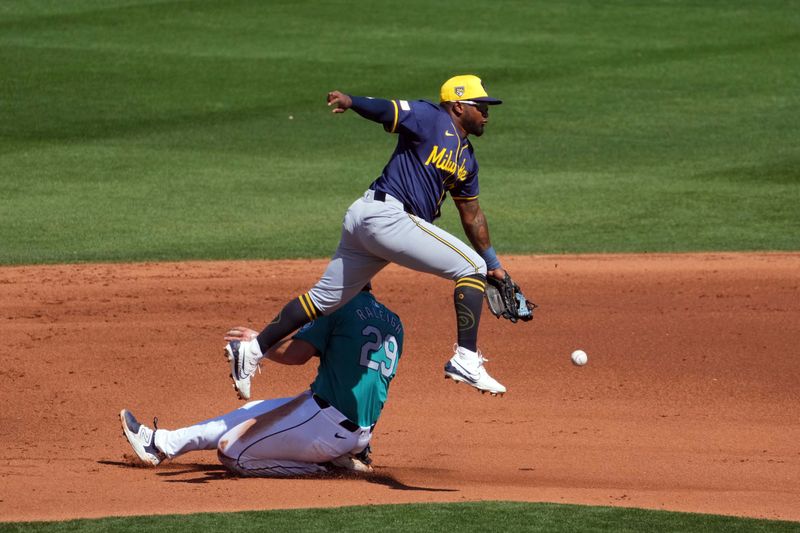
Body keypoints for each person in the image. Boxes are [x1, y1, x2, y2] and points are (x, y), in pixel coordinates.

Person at [226, 74, 510, 402]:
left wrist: (496, 266)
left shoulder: (467, 160)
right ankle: (466, 358)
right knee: (469, 267)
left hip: (371, 222)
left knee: (325, 300)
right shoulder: (430, 117)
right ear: (458, 106)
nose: (487, 113)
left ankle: (251, 351)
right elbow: (387, 110)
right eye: (481, 106)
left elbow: (472, 215)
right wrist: (351, 101)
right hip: (386, 217)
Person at [120, 286, 402, 476]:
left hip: (325, 425)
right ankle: (159, 444)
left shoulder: (340, 307)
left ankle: (323, 467)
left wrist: (259, 343)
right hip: (349, 427)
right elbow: (376, 388)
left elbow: (297, 354)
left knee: (232, 453)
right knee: (250, 412)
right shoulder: (394, 322)